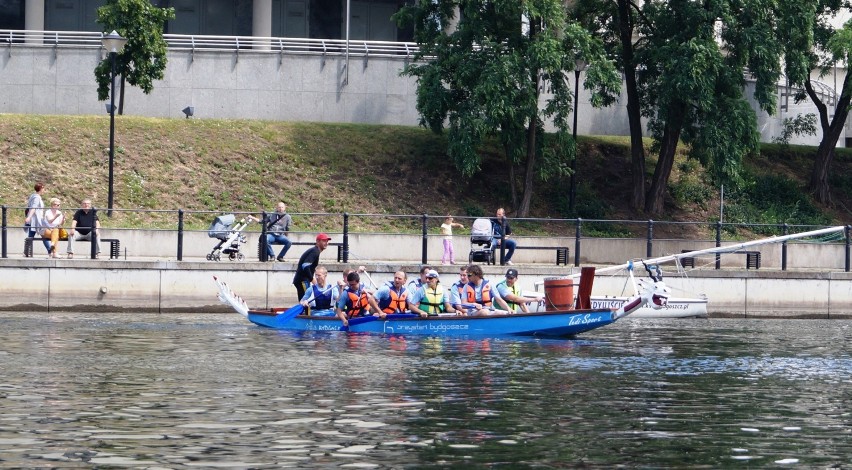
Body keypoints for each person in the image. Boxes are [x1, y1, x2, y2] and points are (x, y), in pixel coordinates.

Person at [293, 233, 332, 301]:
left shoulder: (315, 251)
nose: (326, 243)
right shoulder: (315, 251)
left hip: (302, 280)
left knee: (305, 300)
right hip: (303, 280)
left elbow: (308, 266)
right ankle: (307, 312)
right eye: (324, 241)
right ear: (317, 241)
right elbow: (305, 265)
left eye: (327, 241)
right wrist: (312, 279)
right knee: (307, 301)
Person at [23, 182, 49, 254]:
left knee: (31, 235)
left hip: (35, 220)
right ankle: (50, 250)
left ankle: (26, 251)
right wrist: (29, 217)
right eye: (43, 188)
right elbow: (33, 208)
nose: (44, 190)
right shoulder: (37, 197)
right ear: (40, 189)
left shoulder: (33, 196)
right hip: (36, 220)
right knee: (43, 235)